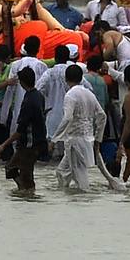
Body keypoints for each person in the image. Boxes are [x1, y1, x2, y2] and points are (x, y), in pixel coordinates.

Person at [52, 63, 106, 192]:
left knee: (81, 181)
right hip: (86, 139)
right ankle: (66, 197)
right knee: (61, 172)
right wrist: (98, 138)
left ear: (66, 79)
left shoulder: (70, 95)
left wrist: (54, 139)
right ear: (81, 78)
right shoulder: (89, 94)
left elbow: (67, 118)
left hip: (75, 141)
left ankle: (83, 204)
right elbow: (102, 116)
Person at [0, 65, 45, 197]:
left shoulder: (28, 101)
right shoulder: (38, 96)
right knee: (25, 172)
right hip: (38, 142)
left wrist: (3, 145)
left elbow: (21, 129)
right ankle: (26, 192)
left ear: (22, 83)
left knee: (13, 168)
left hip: (29, 144)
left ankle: (26, 192)